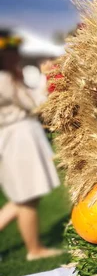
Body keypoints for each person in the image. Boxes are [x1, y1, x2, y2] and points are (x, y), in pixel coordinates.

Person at [0, 30, 62, 260]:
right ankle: (34, 250)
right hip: (19, 139)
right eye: (11, 52)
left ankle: (35, 248)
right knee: (26, 198)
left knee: (26, 197)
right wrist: (46, 77)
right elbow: (35, 104)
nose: (16, 56)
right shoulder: (4, 79)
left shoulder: (8, 77)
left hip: (20, 137)